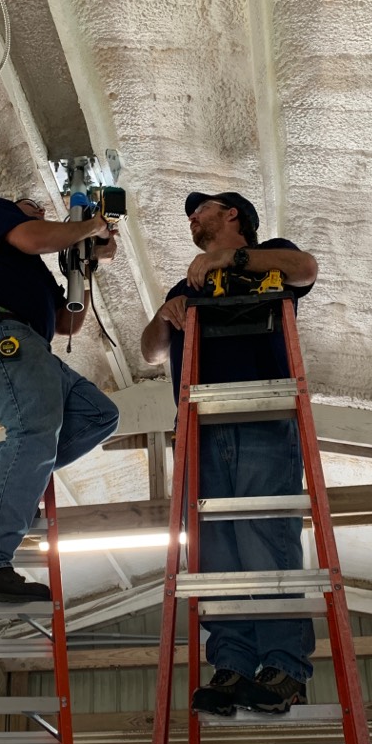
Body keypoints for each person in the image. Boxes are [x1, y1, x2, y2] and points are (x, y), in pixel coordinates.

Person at [140, 192, 318, 715]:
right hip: (198, 428)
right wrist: (165, 315)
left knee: (265, 538)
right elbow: (151, 351)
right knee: (214, 552)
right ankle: (233, 665)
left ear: (233, 215)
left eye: (203, 209)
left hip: (262, 416)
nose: (192, 217)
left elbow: (305, 269)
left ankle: (284, 667)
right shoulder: (185, 285)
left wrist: (227, 259)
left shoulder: (271, 256)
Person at [0, 196, 120, 603]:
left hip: (31, 347)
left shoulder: (32, 269)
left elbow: (67, 322)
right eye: (32, 205)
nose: (39, 210)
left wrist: (85, 267)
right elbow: (33, 237)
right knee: (34, 433)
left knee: (99, 415)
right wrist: (90, 227)